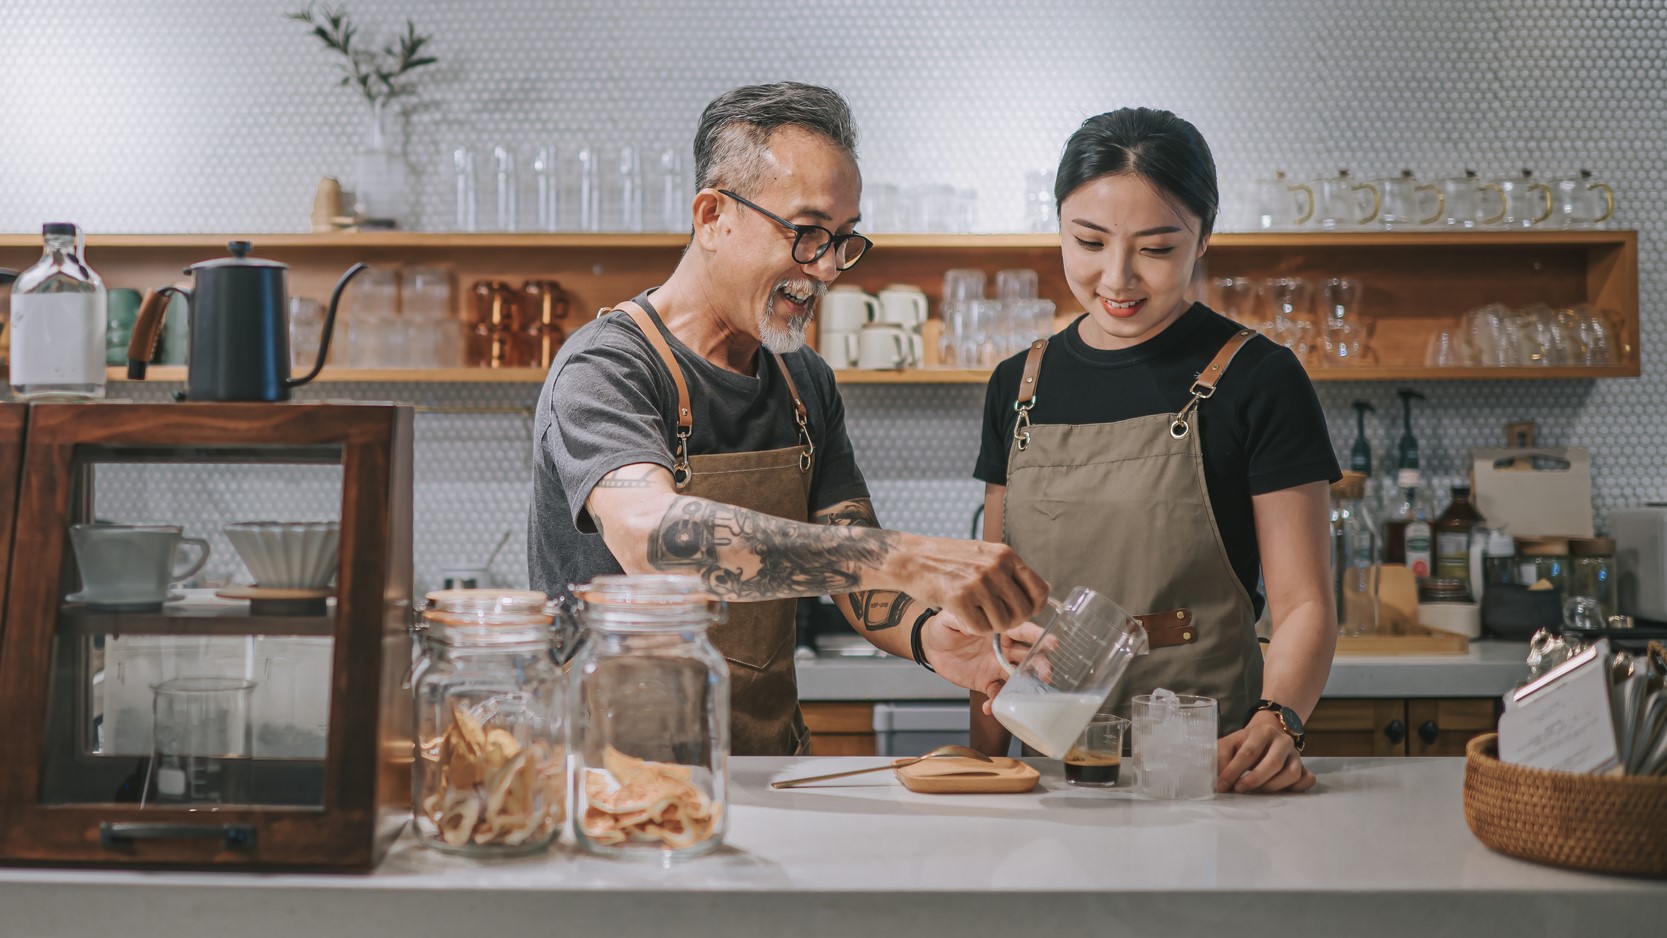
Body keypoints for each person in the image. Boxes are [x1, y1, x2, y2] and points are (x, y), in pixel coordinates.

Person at [529, 82, 1049, 757]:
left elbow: (849, 559)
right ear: (712, 215)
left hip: (763, 762)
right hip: (610, 778)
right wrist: (910, 555)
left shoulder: (802, 380)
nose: (828, 269)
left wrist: (932, 636)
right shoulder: (607, 368)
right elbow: (650, 538)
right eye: (805, 234)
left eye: (842, 240)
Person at [968, 107, 1339, 794]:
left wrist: (1277, 719)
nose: (1116, 278)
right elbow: (993, 608)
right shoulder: (1016, 386)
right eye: (1087, 241)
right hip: (1040, 762)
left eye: (1156, 249)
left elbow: (1303, 603)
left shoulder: (1258, 377)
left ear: (1204, 237)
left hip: (1204, 757)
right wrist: (987, 758)